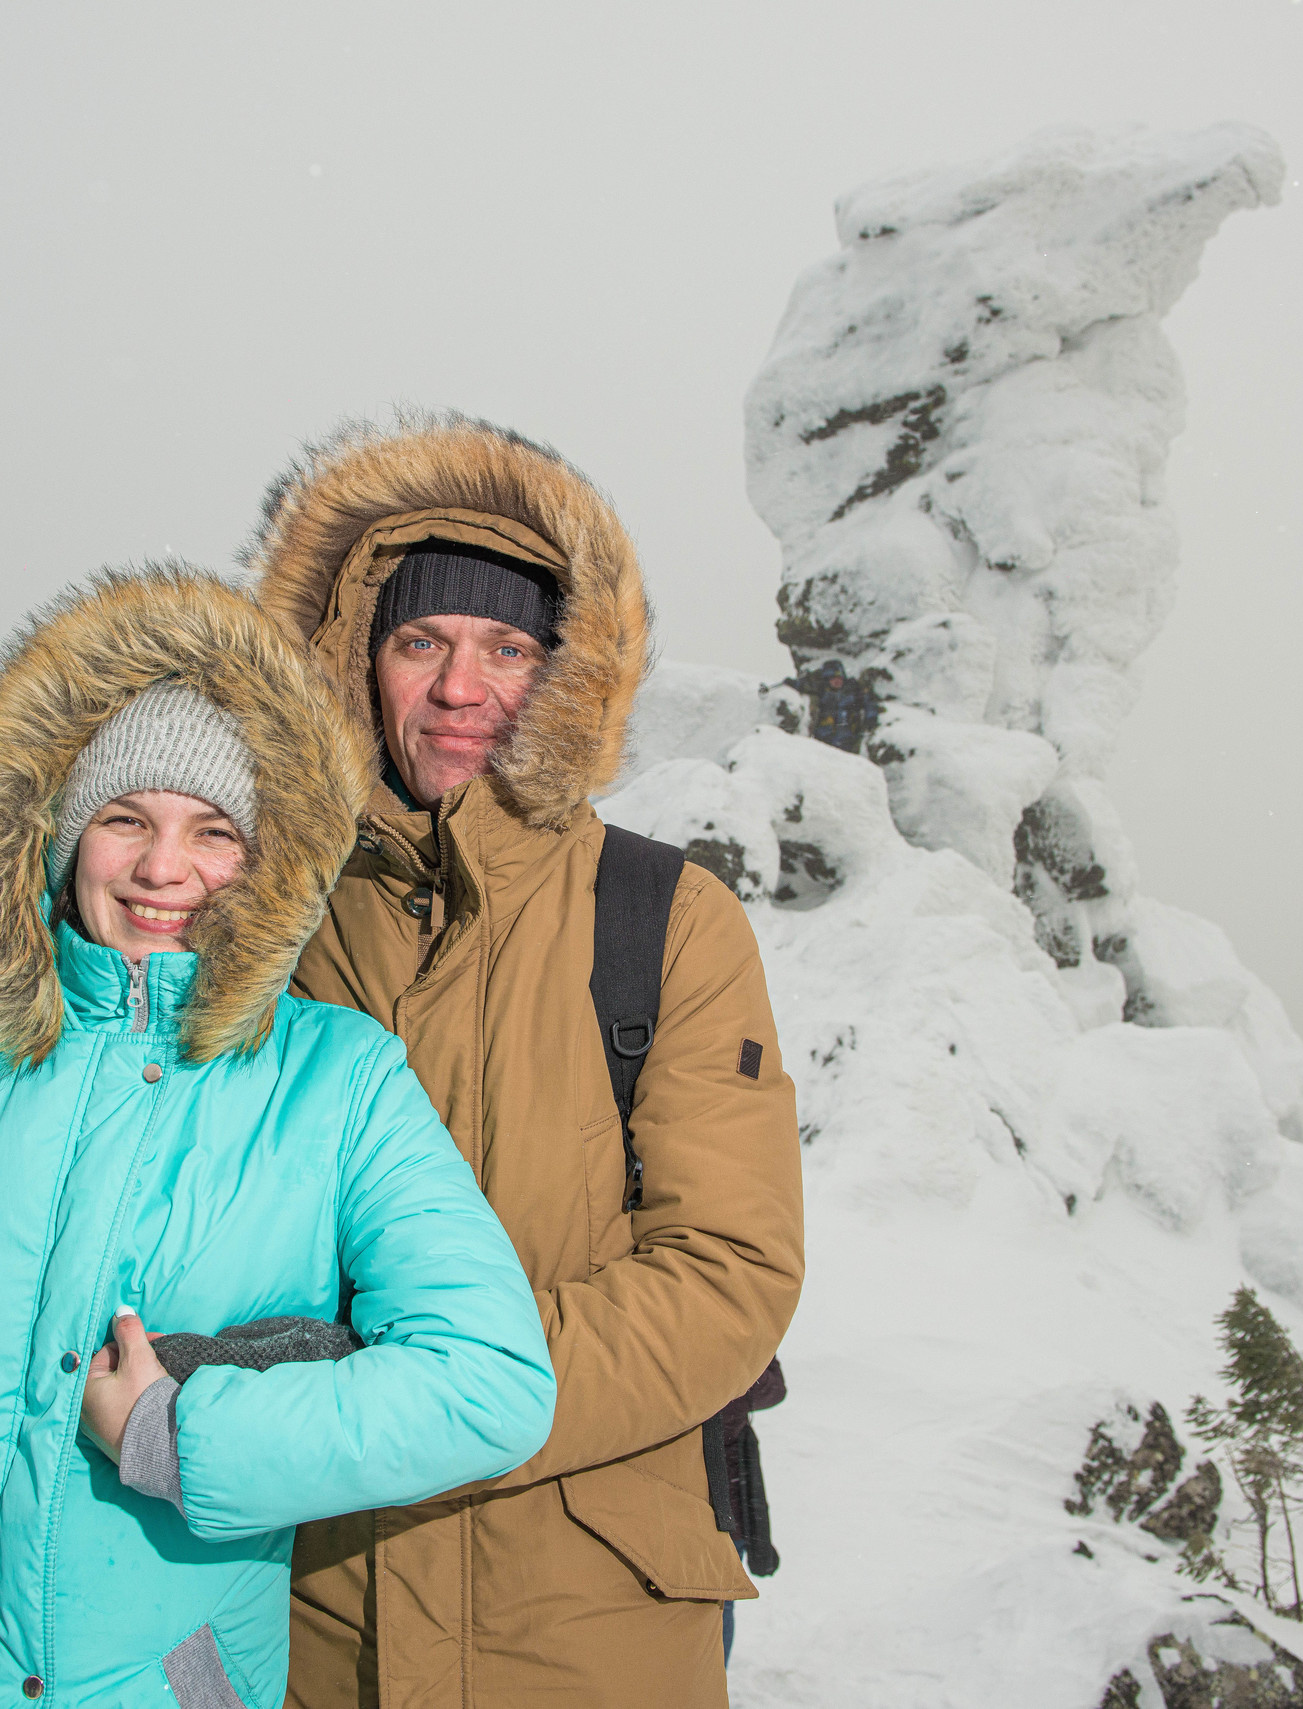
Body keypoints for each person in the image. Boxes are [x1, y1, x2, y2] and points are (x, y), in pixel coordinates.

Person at [0, 567, 556, 1709]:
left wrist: (179, 1433)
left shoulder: (337, 1079)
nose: (161, 868)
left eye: (212, 830)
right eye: (125, 818)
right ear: (61, 833)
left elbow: (487, 1381)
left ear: (269, 858)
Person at [248, 414, 807, 1707]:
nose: (462, 688)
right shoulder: (266, 919)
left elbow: (728, 1273)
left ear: (566, 673)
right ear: (351, 661)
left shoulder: (662, 919)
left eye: (509, 647)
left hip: (593, 1627)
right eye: (420, 640)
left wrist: (431, 1399)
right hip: (310, 1623)